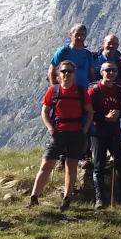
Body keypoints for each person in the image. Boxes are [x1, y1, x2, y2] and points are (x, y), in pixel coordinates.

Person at [30, 60, 93, 210]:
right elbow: (44, 112)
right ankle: (34, 197)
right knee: (46, 164)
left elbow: (90, 111)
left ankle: (67, 198)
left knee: (71, 166)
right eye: (64, 71)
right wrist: (51, 129)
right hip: (58, 132)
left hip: (75, 133)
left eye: (70, 71)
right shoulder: (53, 91)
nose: (67, 74)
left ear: (74, 74)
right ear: (58, 74)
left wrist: (84, 130)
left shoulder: (81, 91)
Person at [87, 62, 121, 208]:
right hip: (98, 133)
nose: (111, 73)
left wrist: (118, 114)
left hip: (114, 132)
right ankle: (100, 199)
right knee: (99, 166)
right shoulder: (94, 90)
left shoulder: (118, 90)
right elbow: (89, 113)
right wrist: (105, 117)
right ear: (101, 72)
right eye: (108, 70)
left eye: (114, 70)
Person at [48, 24, 93, 90]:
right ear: (70, 35)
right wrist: (55, 90)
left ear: (85, 36)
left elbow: (91, 75)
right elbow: (51, 71)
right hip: (65, 94)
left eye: (82, 35)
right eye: (77, 34)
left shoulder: (88, 54)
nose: (80, 37)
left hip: (83, 94)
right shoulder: (63, 52)